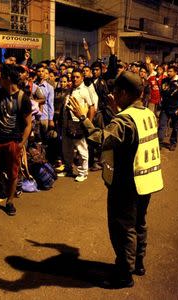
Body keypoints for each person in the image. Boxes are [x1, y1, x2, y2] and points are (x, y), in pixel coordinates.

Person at [68, 71, 163, 289]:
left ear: (123, 92)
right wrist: (116, 111)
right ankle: (138, 264)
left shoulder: (124, 121)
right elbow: (129, 134)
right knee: (139, 223)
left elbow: (100, 139)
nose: (113, 95)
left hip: (126, 184)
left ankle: (124, 274)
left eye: (116, 92)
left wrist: (83, 117)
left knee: (123, 229)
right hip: (145, 180)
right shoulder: (146, 112)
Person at [0, 64, 32, 216]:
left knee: (13, 173)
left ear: (8, 79)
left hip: (13, 142)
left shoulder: (23, 98)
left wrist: (21, 143)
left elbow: (29, 124)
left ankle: (10, 201)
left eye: (2, 76)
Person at [60, 69, 95, 182]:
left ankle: (83, 172)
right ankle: (68, 168)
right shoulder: (70, 90)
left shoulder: (85, 91)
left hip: (79, 124)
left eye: (77, 77)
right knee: (67, 148)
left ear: (82, 78)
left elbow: (92, 107)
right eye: (73, 77)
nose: (74, 79)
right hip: (67, 123)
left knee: (81, 149)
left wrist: (88, 123)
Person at [158, 66, 178, 151]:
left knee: (175, 127)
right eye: (168, 71)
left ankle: (173, 143)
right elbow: (162, 91)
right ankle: (159, 143)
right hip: (165, 108)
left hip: (176, 109)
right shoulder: (165, 80)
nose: (168, 73)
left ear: (175, 72)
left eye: (170, 71)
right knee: (162, 126)